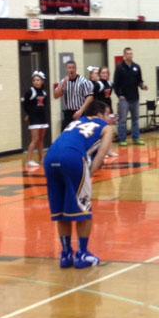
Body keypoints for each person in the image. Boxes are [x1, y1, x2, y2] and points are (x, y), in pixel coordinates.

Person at [44, 101, 113, 269]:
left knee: (61, 211)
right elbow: (101, 155)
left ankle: (66, 254)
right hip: (73, 159)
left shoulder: (75, 122)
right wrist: (88, 174)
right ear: (100, 114)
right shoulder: (106, 127)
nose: (109, 118)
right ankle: (83, 254)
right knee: (84, 208)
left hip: (50, 158)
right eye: (108, 114)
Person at [113, 48, 148, 146]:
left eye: (131, 53)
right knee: (123, 120)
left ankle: (136, 138)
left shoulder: (136, 67)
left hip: (135, 98)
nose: (130, 55)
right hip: (124, 99)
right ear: (124, 55)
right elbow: (116, 84)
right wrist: (119, 95)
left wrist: (142, 86)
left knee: (135, 119)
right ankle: (122, 139)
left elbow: (139, 81)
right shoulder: (119, 67)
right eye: (128, 54)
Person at [54, 60, 94, 131]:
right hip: (69, 113)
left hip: (80, 111)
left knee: (80, 133)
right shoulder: (63, 81)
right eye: (69, 68)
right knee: (65, 133)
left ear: (76, 69)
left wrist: (81, 110)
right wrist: (62, 85)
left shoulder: (83, 81)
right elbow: (56, 96)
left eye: (73, 68)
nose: (71, 70)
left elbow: (90, 97)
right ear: (66, 69)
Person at [23, 71, 49, 169]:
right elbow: (25, 105)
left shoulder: (44, 92)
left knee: (41, 139)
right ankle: (29, 160)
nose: (36, 82)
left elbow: (45, 105)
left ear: (42, 81)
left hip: (43, 118)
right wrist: (29, 115)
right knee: (35, 139)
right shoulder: (30, 91)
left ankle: (41, 158)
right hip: (34, 119)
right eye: (34, 80)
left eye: (38, 80)